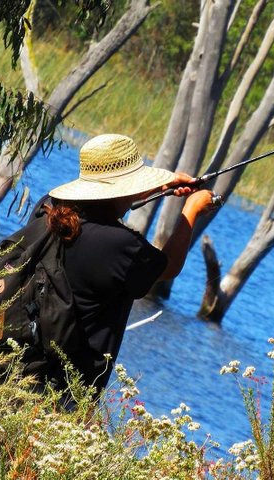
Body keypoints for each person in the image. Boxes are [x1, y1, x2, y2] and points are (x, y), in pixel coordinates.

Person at [36, 133, 218, 395]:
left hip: (28, 364)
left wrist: (162, 184)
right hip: (66, 391)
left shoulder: (48, 210)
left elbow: (106, 202)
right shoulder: (121, 245)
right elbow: (168, 267)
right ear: (125, 188)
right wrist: (190, 212)